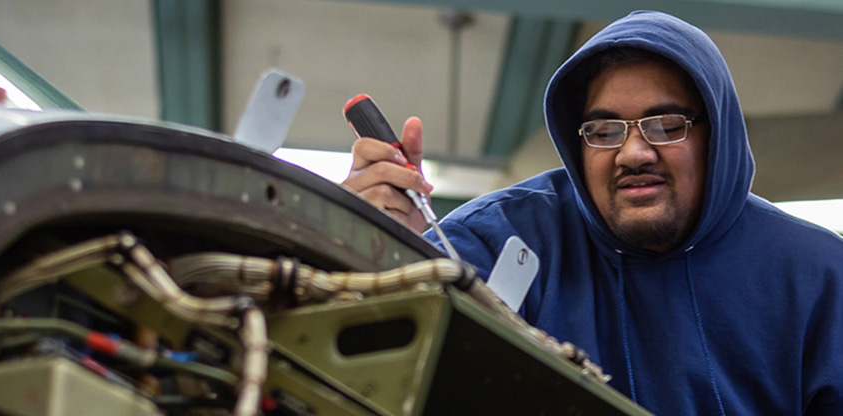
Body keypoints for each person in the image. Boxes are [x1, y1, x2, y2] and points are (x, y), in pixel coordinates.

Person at [343, 10, 843, 415]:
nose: (632, 153)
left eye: (665, 125)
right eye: (603, 131)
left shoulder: (819, 276)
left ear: (716, 136)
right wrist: (374, 253)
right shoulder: (496, 240)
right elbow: (371, 367)